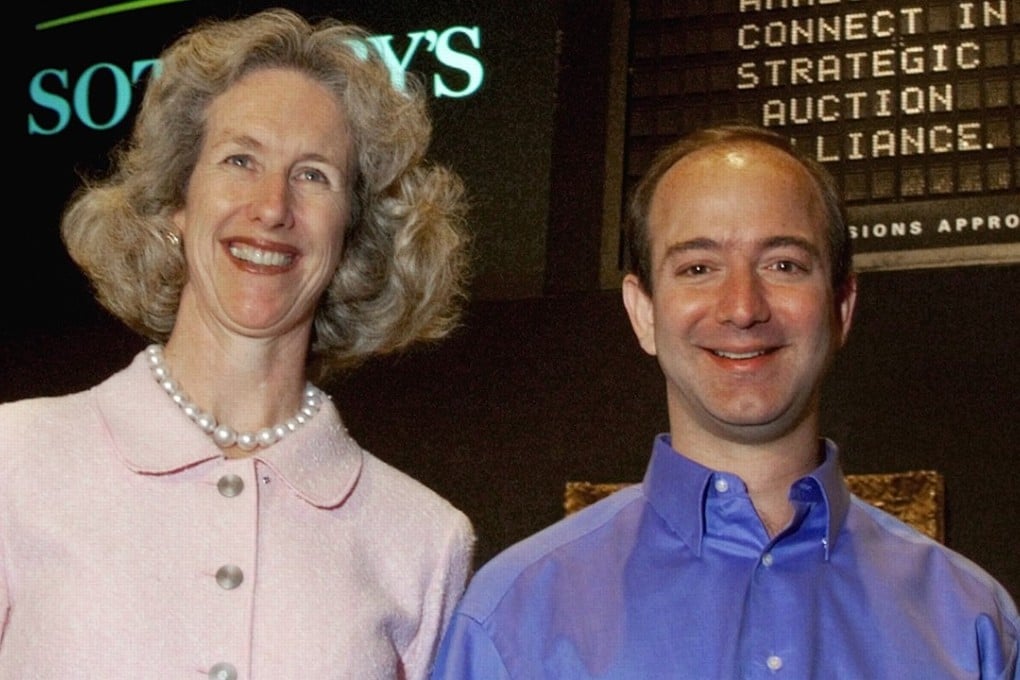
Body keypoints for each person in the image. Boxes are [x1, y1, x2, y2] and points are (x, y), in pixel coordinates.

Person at [430, 124, 1020, 679]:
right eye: (698, 267)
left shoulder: (977, 626)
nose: (742, 307)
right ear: (643, 313)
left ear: (841, 308)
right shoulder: (510, 621)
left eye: (784, 264)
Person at [0, 8, 475, 679]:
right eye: (240, 159)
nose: (272, 205)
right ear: (176, 203)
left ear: (352, 238)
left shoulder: (423, 539)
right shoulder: (15, 461)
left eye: (314, 175)